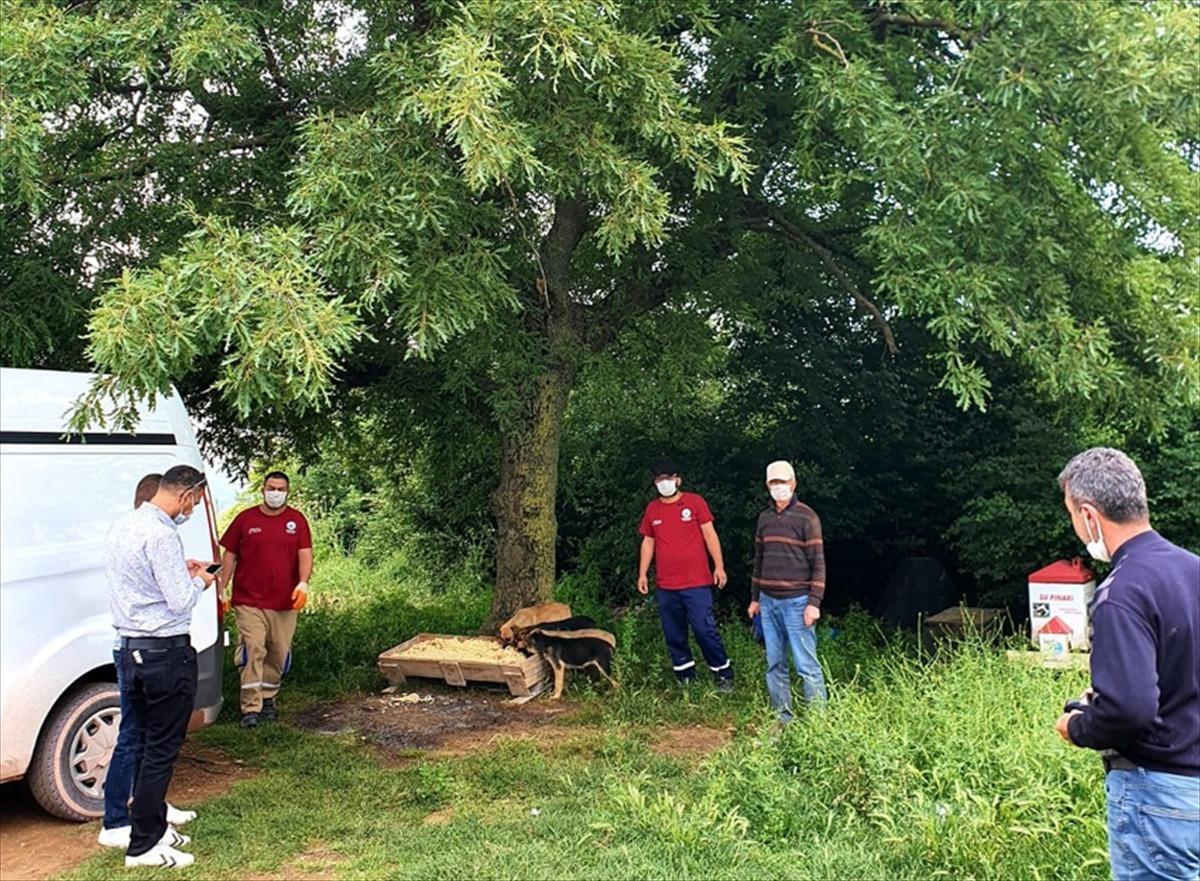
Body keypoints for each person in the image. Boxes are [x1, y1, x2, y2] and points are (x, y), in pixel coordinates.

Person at [1053, 447, 1200, 881]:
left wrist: (1079, 726)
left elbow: (1129, 710)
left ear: (1088, 515)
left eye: (1073, 515)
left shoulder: (1120, 592)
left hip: (1159, 797)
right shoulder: (1193, 569)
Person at [105, 464, 216, 869]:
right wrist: (202, 580)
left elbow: (140, 583)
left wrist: (180, 574)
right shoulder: (163, 534)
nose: (192, 509)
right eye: (195, 502)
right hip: (164, 654)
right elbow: (180, 601)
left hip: (130, 649)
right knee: (160, 750)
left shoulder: (124, 526)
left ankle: (145, 825)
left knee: (139, 741)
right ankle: (144, 845)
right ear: (186, 495)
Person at [218, 471, 313, 728]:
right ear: (263, 489)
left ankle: (269, 697)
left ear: (287, 492)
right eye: (272, 488)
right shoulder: (245, 519)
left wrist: (303, 583)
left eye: (281, 489)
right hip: (249, 600)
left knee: (278, 652)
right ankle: (251, 707)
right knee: (254, 648)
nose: (275, 493)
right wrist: (221, 588)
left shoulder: (296, 520)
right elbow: (229, 555)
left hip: (285, 601)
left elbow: (305, 554)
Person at [636, 460, 734, 691]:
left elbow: (710, 535)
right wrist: (642, 573)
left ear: (678, 480)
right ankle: (685, 675)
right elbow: (648, 542)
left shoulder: (694, 502)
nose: (665, 483)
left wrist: (719, 566)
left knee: (704, 629)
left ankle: (722, 673)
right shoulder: (653, 509)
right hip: (666, 585)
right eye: (660, 479)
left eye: (668, 478)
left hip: (696, 582)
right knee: (674, 633)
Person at [746, 460, 828, 722]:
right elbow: (759, 560)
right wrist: (755, 599)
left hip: (797, 602)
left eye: (782, 482)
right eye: (773, 482)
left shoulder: (807, 517)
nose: (778, 487)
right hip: (768, 602)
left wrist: (814, 603)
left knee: (806, 665)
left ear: (793, 484)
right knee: (774, 663)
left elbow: (818, 563)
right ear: (767, 485)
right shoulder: (765, 518)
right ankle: (782, 718)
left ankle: (817, 722)